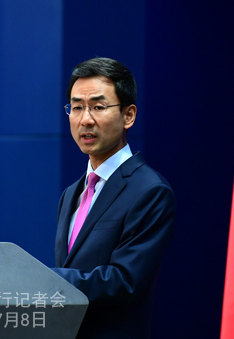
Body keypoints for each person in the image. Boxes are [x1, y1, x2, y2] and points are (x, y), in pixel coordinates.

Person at [52, 57, 176, 339]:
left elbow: (124, 281)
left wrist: (43, 279)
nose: (85, 119)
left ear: (128, 115)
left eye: (98, 107)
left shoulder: (150, 191)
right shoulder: (71, 194)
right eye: (77, 107)